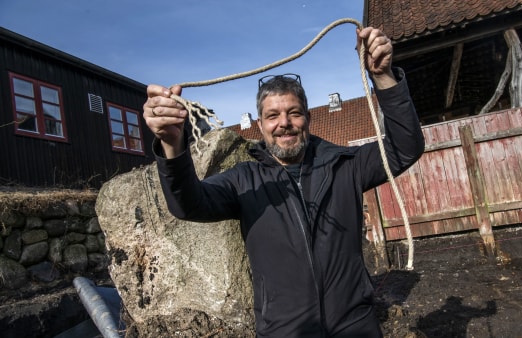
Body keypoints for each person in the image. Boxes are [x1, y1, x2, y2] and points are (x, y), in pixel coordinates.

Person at [143, 27, 424, 337]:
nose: (284, 123)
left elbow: (406, 147)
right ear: (260, 125)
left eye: (294, 113)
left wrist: (383, 76)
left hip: (355, 326)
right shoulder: (244, 181)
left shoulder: (346, 165)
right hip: (285, 331)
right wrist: (172, 144)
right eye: (273, 115)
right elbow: (188, 204)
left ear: (308, 118)